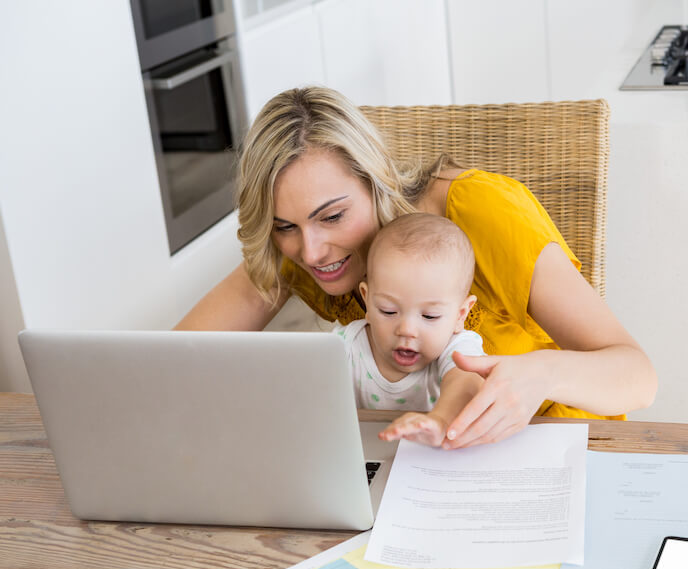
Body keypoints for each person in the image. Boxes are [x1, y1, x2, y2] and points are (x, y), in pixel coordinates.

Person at [176, 86, 657, 448]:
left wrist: (542, 374)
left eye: (334, 216)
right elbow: (174, 360)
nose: (314, 251)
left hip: (559, 444)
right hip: (422, 459)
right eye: (285, 225)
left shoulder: (479, 209)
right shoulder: (299, 249)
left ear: (375, 181)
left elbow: (638, 376)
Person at [334, 212, 485, 447]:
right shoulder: (345, 345)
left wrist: (440, 421)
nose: (407, 330)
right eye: (388, 310)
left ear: (460, 314)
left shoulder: (456, 346)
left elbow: (468, 382)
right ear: (367, 299)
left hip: (436, 459)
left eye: (429, 316)